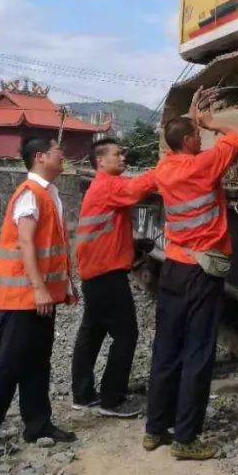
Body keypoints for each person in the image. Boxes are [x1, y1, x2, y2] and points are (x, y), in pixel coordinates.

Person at [144, 87, 238, 460]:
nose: (203, 136)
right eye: (198, 134)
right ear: (189, 140)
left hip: (174, 267)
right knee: (198, 353)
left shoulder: (165, 168)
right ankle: (186, 439)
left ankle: (155, 429)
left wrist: (190, 120)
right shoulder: (205, 166)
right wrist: (211, 120)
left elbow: (194, 153)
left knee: (166, 349)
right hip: (202, 272)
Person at [0, 137, 79, 456]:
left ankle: (38, 424)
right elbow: (26, 244)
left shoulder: (47, 193)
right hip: (24, 298)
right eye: (59, 149)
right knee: (9, 363)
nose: (63, 154)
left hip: (39, 297)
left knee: (37, 362)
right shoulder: (30, 194)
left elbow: (50, 250)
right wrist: (40, 288)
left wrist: (63, 287)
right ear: (41, 157)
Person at [70, 138, 157, 418]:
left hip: (95, 272)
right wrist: (170, 165)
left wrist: (133, 244)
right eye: (118, 154)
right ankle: (112, 399)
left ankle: (82, 395)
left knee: (92, 334)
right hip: (106, 274)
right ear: (101, 161)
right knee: (126, 334)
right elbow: (136, 189)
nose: (123, 158)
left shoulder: (101, 186)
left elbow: (109, 227)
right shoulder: (109, 185)